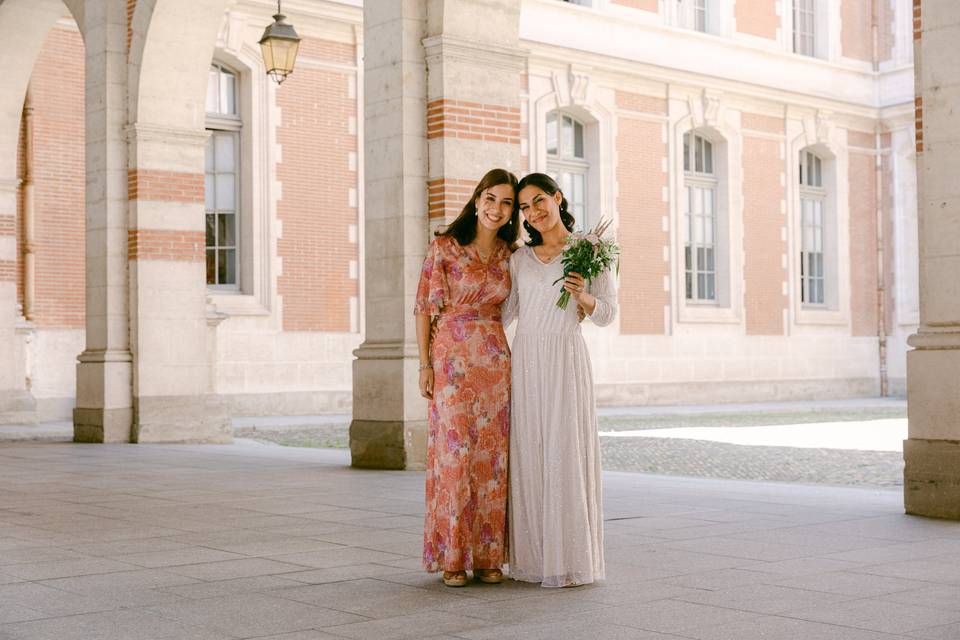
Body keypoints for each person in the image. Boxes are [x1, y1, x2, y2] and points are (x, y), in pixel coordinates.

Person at [503, 172, 618, 588]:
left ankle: (570, 559)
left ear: (558, 197)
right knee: (530, 452)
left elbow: (606, 313)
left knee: (565, 451)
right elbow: (506, 312)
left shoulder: (591, 250)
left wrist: (584, 295)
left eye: (538, 202)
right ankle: (534, 560)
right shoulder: (519, 259)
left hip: (567, 359)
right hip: (527, 361)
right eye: (524, 208)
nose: (532, 213)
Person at [414, 168, 520, 587]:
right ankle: (453, 556)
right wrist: (424, 364)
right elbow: (424, 308)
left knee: (493, 460)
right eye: (491, 198)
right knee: (455, 457)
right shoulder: (445, 247)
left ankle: (489, 555)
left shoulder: (511, 255)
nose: (497, 208)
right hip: (453, 360)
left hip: (495, 361)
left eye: (506, 203)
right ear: (477, 200)